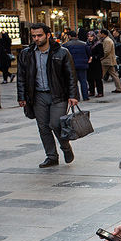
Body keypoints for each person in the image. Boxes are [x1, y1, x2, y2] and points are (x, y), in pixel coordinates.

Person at [17, 23, 79, 169]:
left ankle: (65, 147)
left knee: (56, 124)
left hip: (58, 95)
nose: (36, 39)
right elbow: (21, 76)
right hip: (37, 95)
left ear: (48, 35)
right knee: (43, 127)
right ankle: (51, 156)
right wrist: (22, 96)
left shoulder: (62, 52)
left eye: (39, 35)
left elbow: (71, 75)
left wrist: (73, 95)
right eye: (33, 36)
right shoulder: (26, 54)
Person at [65, 28, 91, 101]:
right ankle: (85, 96)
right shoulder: (84, 44)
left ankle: (76, 97)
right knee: (83, 81)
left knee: (74, 82)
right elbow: (89, 53)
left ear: (69, 36)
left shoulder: (66, 45)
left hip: (72, 65)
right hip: (83, 64)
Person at [99, 29, 121, 93]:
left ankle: (96, 87)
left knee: (100, 75)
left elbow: (106, 51)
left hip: (107, 61)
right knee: (114, 75)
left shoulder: (107, 41)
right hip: (109, 60)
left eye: (100, 33)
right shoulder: (107, 40)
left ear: (103, 34)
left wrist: (101, 58)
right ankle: (119, 88)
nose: (99, 34)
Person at [86, 31, 104, 98]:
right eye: (88, 36)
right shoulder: (87, 44)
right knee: (90, 78)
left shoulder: (98, 44)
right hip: (89, 63)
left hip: (96, 63)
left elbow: (101, 54)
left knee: (98, 78)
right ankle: (91, 91)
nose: (90, 38)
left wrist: (93, 57)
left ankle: (100, 92)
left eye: (91, 36)